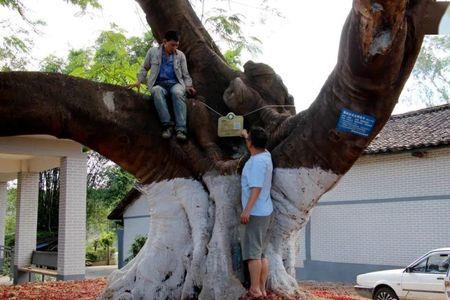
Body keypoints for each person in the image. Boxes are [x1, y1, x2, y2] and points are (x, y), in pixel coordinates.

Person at [129, 30, 196, 141]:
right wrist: (139, 81)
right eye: (172, 45)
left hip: (176, 84)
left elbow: (185, 74)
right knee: (156, 91)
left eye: (177, 45)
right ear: (164, 42)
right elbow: (145, 67)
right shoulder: (152, 52)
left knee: (177, 93)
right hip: (159, 84)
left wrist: (189, 86)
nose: (174, 47)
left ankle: (181, 129)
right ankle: (167, 126)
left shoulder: (180, 55)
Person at [240, 127, 273, 298]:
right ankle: (262, 288)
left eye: (248, 139)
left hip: (256, 213)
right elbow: (260, 146)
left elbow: (256, 188)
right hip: (266, 211)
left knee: (253, 254)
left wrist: (247, 210)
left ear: (251, 143)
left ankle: (255, 289)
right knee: (261, 253)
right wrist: (247, 136)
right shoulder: (266, 156)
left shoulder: (256, 162)